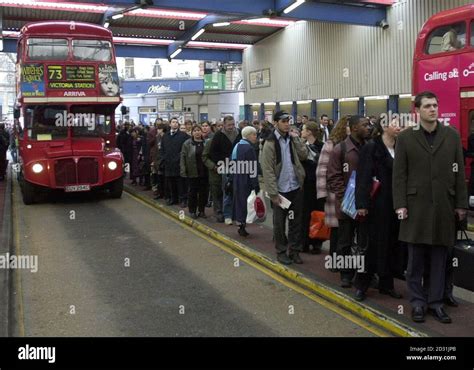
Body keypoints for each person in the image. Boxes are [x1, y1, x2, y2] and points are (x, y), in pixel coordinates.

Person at [393, 91, 468, 324]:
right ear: (417, 110)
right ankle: (417, 302)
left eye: (435, 105)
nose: (433, 109)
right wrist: (401, 205)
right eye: (427, 106)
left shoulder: (452, 136)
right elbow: (399, 176)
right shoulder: (405, 138)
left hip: (444, 207)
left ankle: (435, 303)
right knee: (415, 260)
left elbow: (459, 172)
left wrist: (461, 205)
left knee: (439, 258)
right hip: (415, 208)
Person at [353, 118, 404, 301]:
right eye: (395, 123)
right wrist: (362, 205)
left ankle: (386, 284)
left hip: (395, 205)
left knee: (391, 245)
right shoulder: (371, 147)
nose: (399, 127)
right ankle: (361, 285)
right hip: (375, 206)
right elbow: (363, 176)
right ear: (384, 127)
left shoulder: (401, 147)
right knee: (371, 247)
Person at [327, 115, 370, 287]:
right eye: (364, 125)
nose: (368, 127)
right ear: (353, 128)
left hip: (365, 204)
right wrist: (346, 198)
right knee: (344, 241)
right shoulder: (340, 149)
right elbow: (333, 176)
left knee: (363, 242)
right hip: (346, 204)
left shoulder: (369, 147)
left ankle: (363, 273)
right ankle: (346, 273)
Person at [261, 111, 308, 265]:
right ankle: (281, 251)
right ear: (275, 123)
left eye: (288, 120)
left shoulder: (292, 139)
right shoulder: (270, 143)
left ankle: (294, 251)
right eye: (283, 121)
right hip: (280, 191)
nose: (287, 123)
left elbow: (304, 155)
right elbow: (267, 170)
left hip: (295, 187)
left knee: (296, 223)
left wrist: (297, 140)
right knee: (280, 225)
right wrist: (273, 193)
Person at [316, 116, 350, 267]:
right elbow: (322, 168)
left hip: (349, 192)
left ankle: (343, 261)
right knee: (336, 228)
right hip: (334, 193)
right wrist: (322, 193)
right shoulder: (331, 144)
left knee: (346, 229)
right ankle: (334, 260)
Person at [207, 116, 241, 225]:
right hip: (225, 167)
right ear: (224, 125)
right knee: (227, 190)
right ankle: (226, 214)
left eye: (233, 124)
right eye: (229, 125)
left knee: (237, 191)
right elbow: (213, 152)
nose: (231, 127)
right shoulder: (218, 135)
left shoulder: (238, 134)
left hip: (238, 166)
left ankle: (235, 213)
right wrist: (219, 164)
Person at [300, 121, 324, 254]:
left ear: (309, 131)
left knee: (318, 214)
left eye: (303, 129)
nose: (301, 132)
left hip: (319, 185)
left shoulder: (323, 146)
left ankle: (317, 242)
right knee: (304, 215)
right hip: (306, 185)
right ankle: (304, 242)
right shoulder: (301, 146)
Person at [232, 126, 260, 237]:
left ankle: (240, 224)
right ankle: (243, 225)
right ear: (248, 135)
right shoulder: (249, 148)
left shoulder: (237, 145)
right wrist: (255, 184)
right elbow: (253, 167)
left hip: (237, 177)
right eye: (254, 135)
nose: (255, 137)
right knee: (246, 202)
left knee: (239, 202)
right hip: (246, 179)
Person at [180, 125, 209, 219]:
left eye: (199, 130)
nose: (197, 132)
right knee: (192, 192)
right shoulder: (187, 144)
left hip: (204, 172)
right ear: (192, 132)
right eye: (195, 131)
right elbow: (183, 157)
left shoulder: (206, 143)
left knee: (203, 192)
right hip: (192, 172)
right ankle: (192, 210)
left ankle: (201, 210)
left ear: (201, 132)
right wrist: (183, 170)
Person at [160, 117, 189, 205]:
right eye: (173, 122)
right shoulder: (166, 136)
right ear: (170, 124)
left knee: (180, 183)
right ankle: (173, 198)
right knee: (171, 183)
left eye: (176, 122)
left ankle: (183, 199)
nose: (175, 123)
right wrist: (164, 158)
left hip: (179, 163)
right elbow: (162, 149)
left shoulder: (183, 135)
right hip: (169, 163)